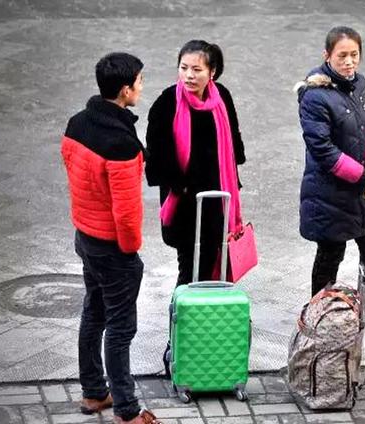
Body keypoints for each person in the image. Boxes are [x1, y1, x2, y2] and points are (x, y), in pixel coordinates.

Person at [61, 53, 161, 424]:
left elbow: (72, 168)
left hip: (85, 236)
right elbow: (127, 211)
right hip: (112, 248)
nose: (141, 87)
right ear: (124, 90)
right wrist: (130, 251)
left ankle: (93, 393)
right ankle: (127, 410)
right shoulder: (120, 144)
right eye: (139, 81)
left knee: (94, 313)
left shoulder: (77, 123)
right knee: (120, 329)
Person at [295, 26, 365, 327]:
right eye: (342, 55)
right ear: (327, 56)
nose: (349, 62)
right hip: (331, 191)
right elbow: (322, 148)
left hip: (362, 186)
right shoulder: (315, 96)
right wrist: (359, 174)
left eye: (354, 55)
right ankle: (318, 307)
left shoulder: (360, 85)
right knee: (331, 252)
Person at [145, 40, 246, 286]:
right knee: (189, 266)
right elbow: (156, 155)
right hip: (186, 203)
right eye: (184, 67)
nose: (189, 75)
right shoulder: (167, 102)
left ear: (212, 72)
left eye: (197, 69)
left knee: (212, 257)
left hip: (217, 198)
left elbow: (233, 138)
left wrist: (233, 170)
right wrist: (181, 186)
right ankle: (183, 318)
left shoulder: (221, 96)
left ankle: (205, 315)